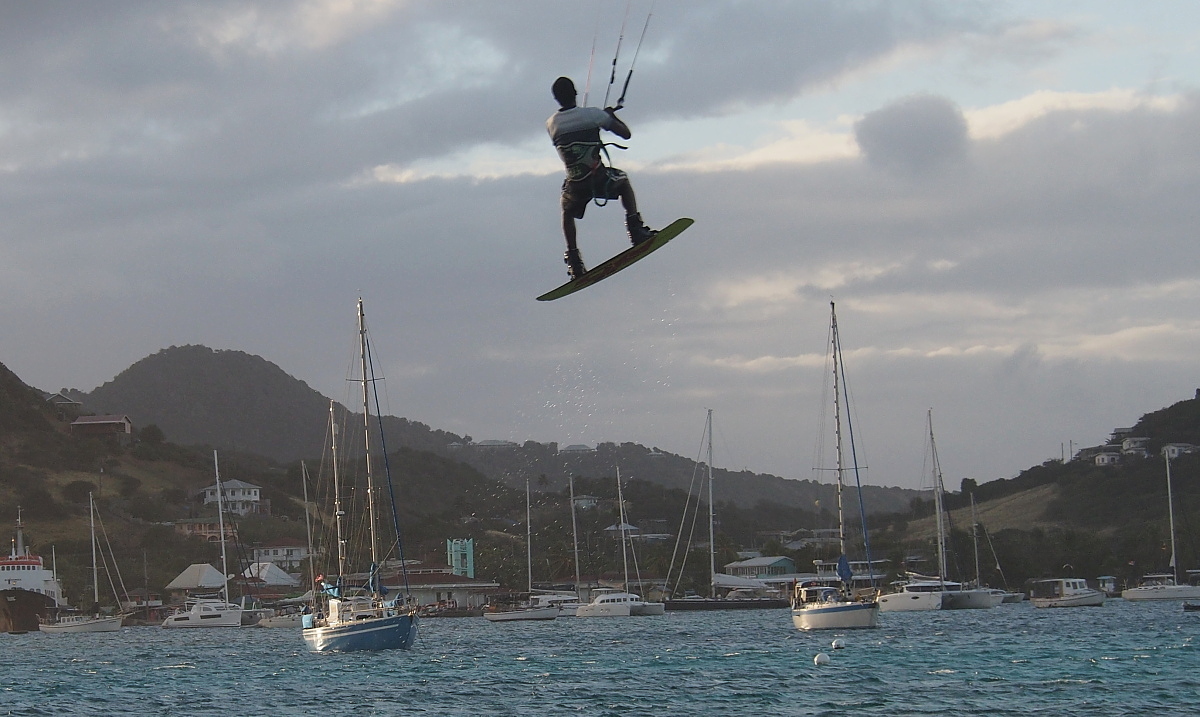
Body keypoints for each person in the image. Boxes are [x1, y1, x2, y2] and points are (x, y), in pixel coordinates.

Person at [546, 76, 656, 279]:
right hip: (598, 179)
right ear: (575, 93)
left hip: (575, 184)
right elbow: (625, 134)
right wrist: (610, 117)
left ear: (556, 98)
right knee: (623, 181)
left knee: (567, 210)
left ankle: (574, 261)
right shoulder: (593, 115)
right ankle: (636, 230)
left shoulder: (551, 124)